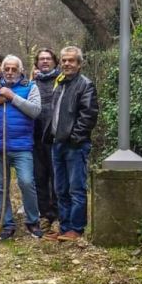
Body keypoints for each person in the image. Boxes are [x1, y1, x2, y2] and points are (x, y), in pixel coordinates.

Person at [0, 55, 42, 241]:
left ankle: (33, 221)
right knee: (0, 187)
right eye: (7, 69)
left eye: (14, 69)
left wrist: (13, 97)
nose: (10, 72)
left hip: (22, 146)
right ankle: (7, 224)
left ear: (20, 70)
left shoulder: (30, 87)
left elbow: (35, 111)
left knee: (26, 182)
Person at [45, 46, 99, 242]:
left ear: (79, 64)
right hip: (57, 143)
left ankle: (76, 228)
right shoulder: (60, 83)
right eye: (64, 60)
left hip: (75, 145)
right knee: (61, 188)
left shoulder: (85, 85)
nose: (67, 64)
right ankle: (64, 226)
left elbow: (88, 116)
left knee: (76, 188)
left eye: (71, 61)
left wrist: (75, 138)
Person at [32, 48, 61, 232]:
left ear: (54, 61)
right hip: (35, 137)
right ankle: (44, 214)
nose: (44, 61)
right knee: (39, 177)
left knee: (56, 177)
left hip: (55, 136)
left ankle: (58, 215)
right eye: (41, 59)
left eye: (48, 59)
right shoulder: (32, 83)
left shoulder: (61, 82)